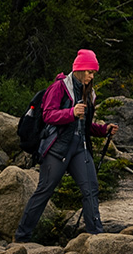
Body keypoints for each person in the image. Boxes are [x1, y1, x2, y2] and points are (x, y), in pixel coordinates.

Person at [14, 49, 119, 241]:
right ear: (79, 69)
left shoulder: (89, 92)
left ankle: (96, 236)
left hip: (81, 148)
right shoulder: (59, 87)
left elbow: (84, 125)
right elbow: (48, 115)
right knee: (44, 191)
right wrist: (71, 113)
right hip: (57, 149)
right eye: (89, 71)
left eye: (93, 72)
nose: (91, 75)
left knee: (91, 189)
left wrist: (104, 129)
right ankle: (22, 236)